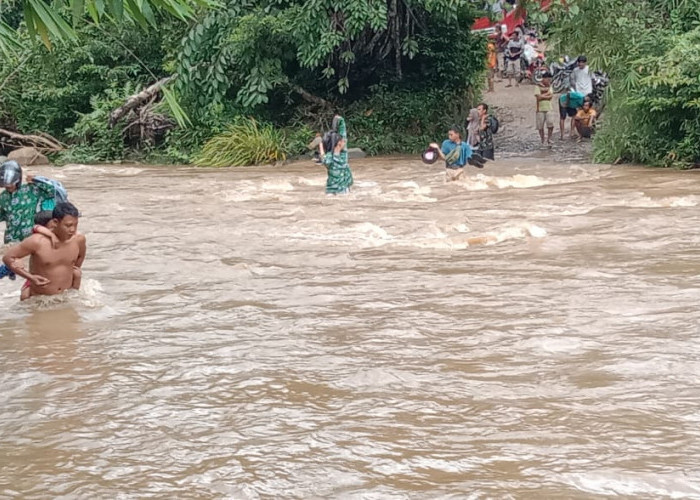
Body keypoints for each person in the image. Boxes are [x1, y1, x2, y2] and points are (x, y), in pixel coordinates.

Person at [3, 202, 86, 300]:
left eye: (76, 225)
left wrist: (74, 274)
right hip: (41, 299)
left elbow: (80, 257)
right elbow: (8, 258)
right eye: (68, 225)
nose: (72, 229)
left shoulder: (79, 240)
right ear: (55, 222)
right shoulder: (37, 241)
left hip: (66, 298)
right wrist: (31, 278)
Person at [0, 160, 56, 245]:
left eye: (11, 184)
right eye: (6, 185)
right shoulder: (3, 196)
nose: (8, 186)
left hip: (29, 236)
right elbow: (2, 215)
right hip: (10, 237)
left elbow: (51, 191)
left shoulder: (31, 190)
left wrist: (36, 180)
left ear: (18, 180)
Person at [0, 210, 59, 281]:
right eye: (52, 226)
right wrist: (51, 235)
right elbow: (36, 227)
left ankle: (10, 271)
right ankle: (10, 270)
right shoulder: (38, 236)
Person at [319, 115, 353, 194]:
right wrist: (341, 120)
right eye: (342, 140)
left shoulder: (329, 159)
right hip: (342, 192)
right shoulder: (343, 157)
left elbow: (323, 158)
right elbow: (343, 135)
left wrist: (321, 146)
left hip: (331, 192)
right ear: (339, 144)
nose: (344, 141)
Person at [535, 72, 555, 146]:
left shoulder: (550, 86)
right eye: (547, 79)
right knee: (540, 126)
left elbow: (550, 96)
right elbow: (538, 97)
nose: (549, 80)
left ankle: (549, 138)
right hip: (539, 108)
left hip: (549, 108)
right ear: (543, 78)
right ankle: (542, 139)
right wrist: (547, 95)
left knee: (551, 124)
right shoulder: (537, 86)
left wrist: (542, 95)